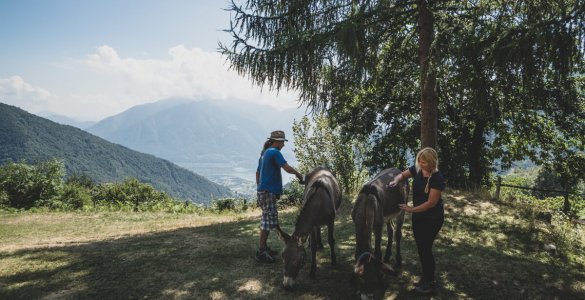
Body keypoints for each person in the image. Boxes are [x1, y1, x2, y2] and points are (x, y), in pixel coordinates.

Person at [387, 147, 445, 294]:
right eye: (419, 160)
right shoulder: (418, 169)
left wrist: (410, 209)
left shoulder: (437, 178)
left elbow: (431, 203)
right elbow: (403, 175)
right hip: (419, 217)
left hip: (432, 218)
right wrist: (396, 180)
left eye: (424, 161)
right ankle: (426, 277)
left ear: (431, 163)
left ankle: (430, 284)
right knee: (421, 248)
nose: (420, 163)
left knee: (426, 249)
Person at [255, 130, 304, 263]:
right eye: (282, 142)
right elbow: (287, 168)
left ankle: (264, 247)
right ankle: (261, 251)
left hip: (263, 191)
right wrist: (299, 175)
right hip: (268, 191)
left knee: (269, 218)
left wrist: (259, 188)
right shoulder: (275, 152)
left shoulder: (264, 153)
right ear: (277, 141)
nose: (283, 144)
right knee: (266, 221)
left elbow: (257, 172)